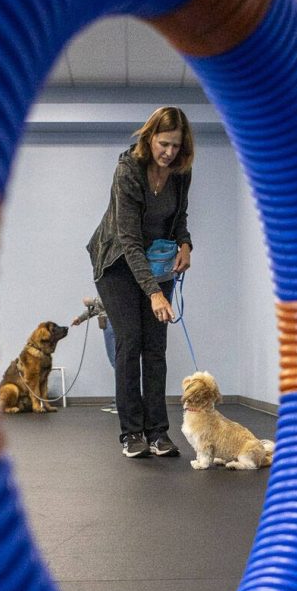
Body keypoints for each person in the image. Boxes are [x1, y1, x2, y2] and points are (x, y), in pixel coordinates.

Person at [86, 106, 194, 458]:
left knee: (156, 347)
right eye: (164, 144)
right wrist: (153, 293)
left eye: (176, 146)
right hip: (117, 261)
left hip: (157, 261)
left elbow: (179, 217)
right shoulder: (128, 170)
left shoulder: (180, 172)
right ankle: (132, 433)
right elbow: (129, 239)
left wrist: (185, 244)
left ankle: (158, 432)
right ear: (149, 139)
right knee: (130, 342)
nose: (169, 152)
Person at [71, 296, 117, 412]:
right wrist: (81, 318)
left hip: (114, 323)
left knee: (118, 364)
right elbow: (99, 307)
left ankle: (123, 402)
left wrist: (91, 301)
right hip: (109, 323)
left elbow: (111, 300)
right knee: (116, 363)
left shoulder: (113, 280)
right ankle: (120, 400)